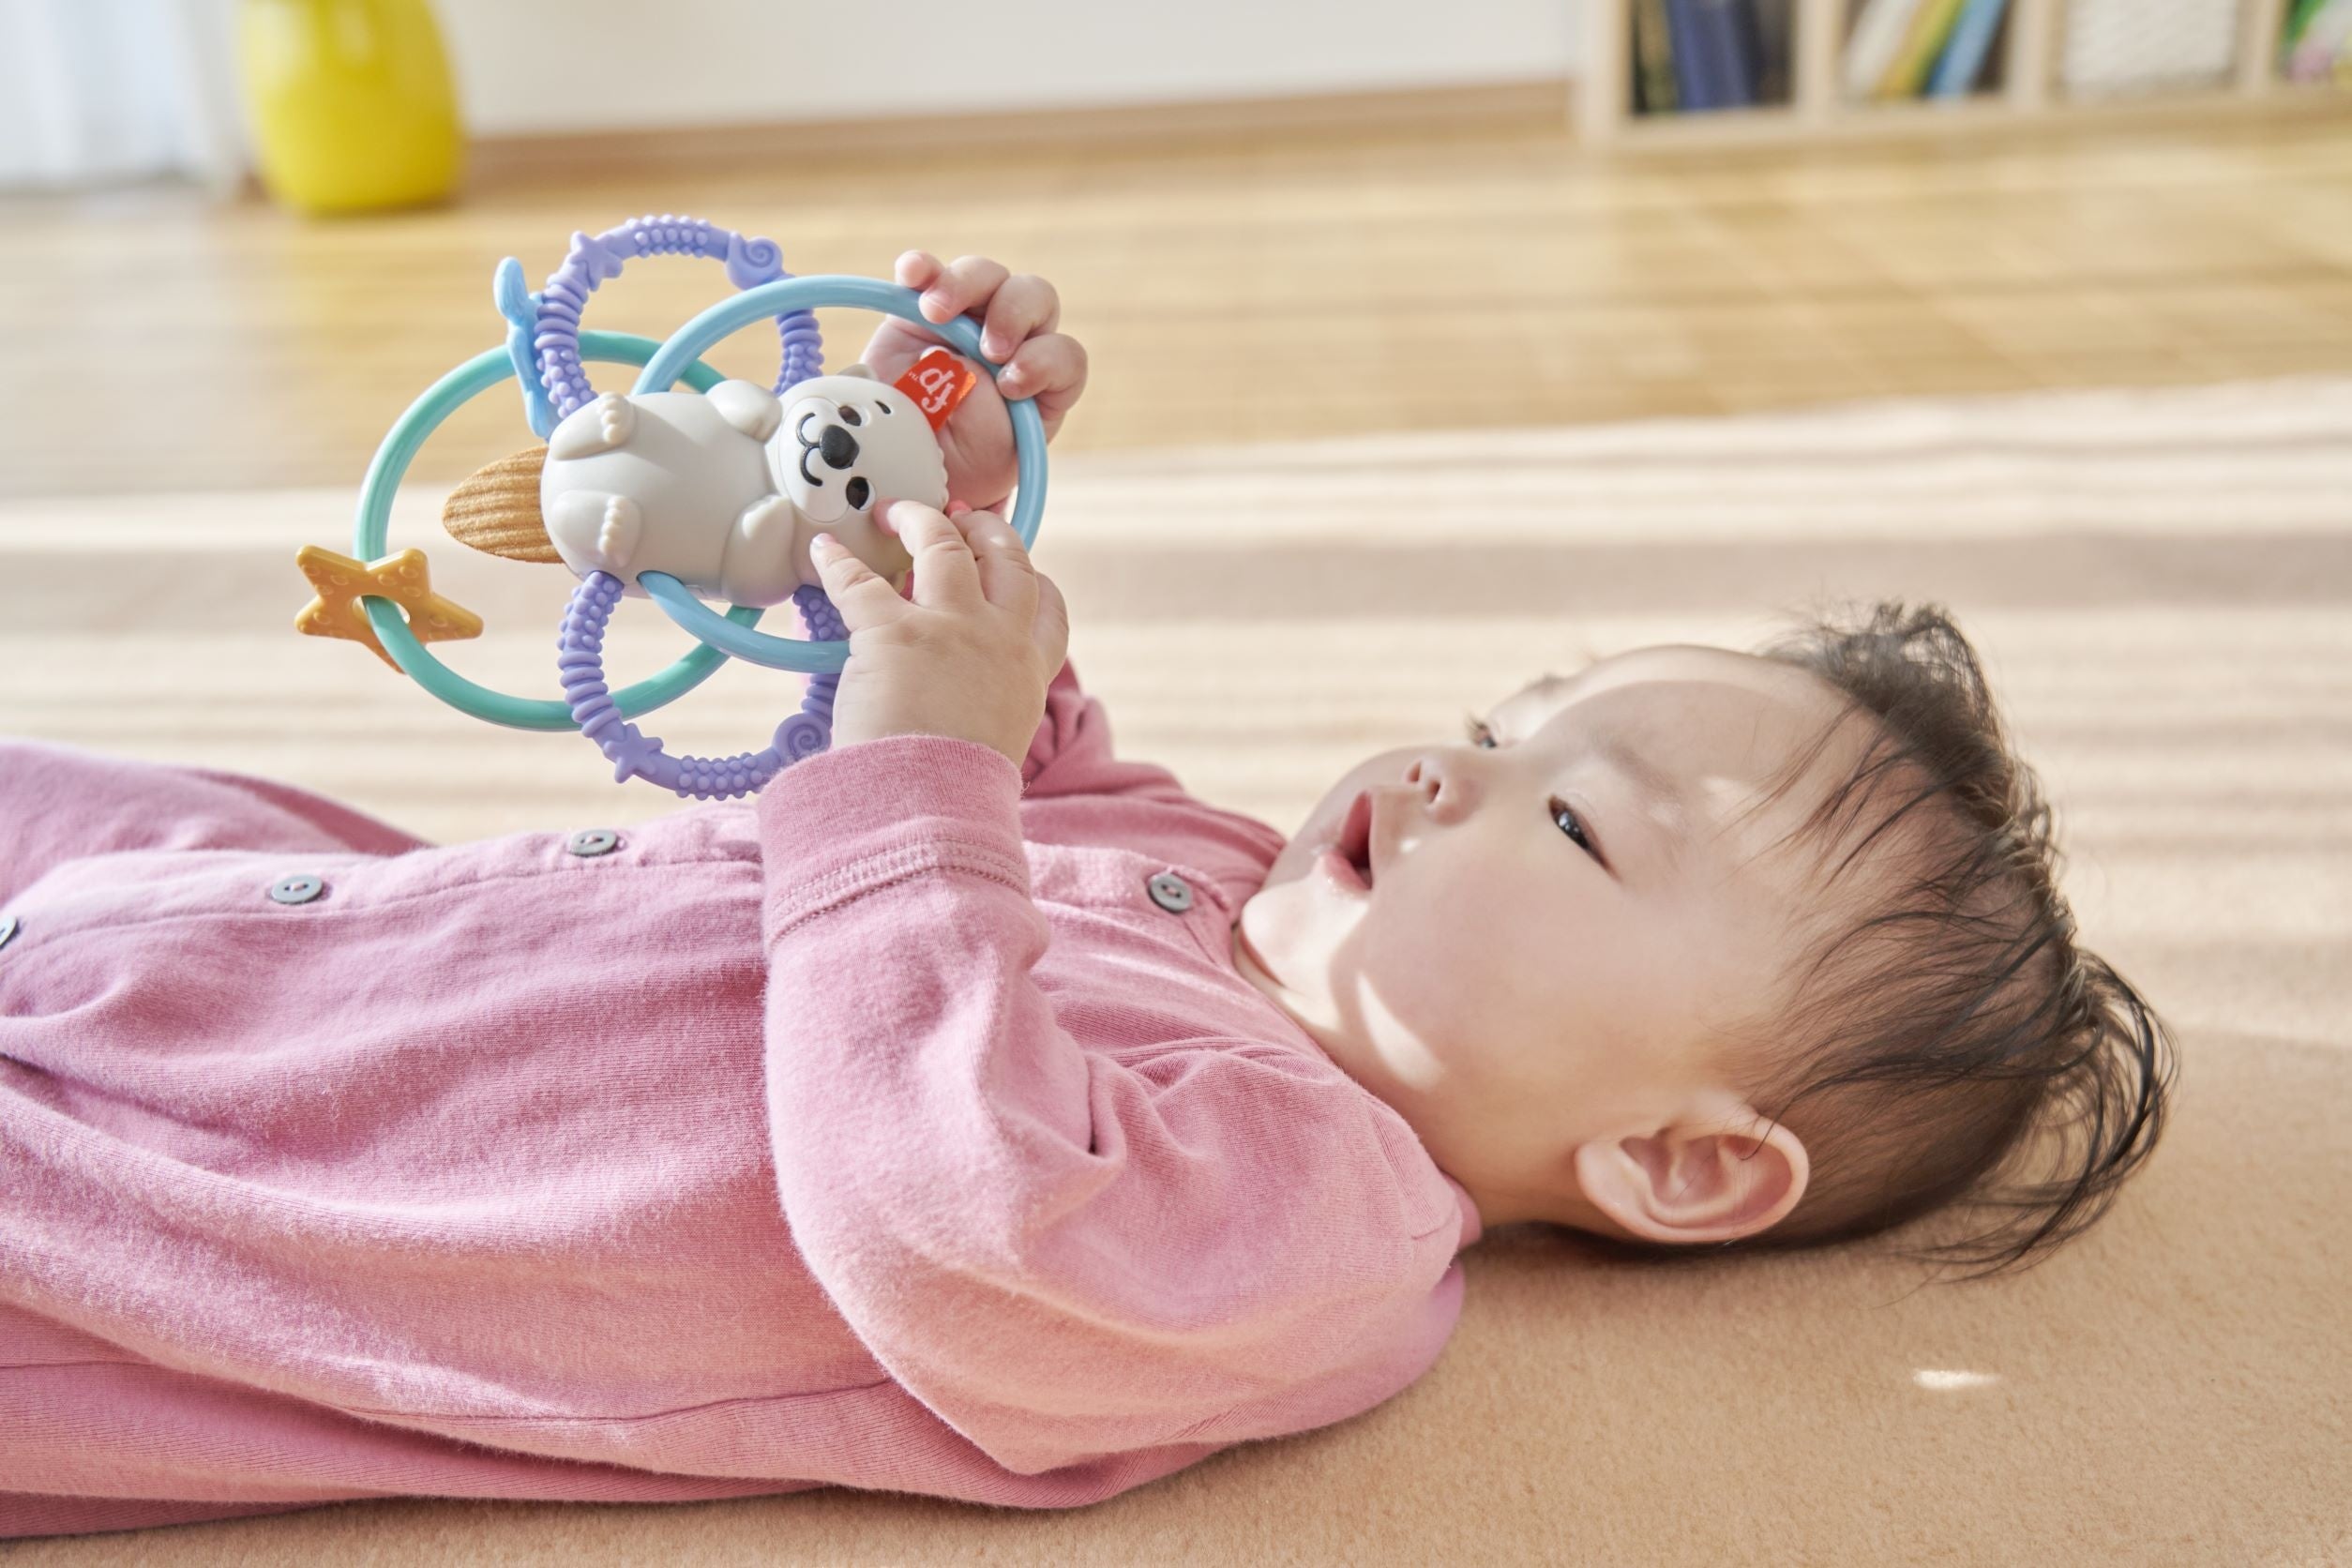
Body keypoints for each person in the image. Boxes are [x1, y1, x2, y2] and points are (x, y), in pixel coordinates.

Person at [0, 253, 2171, 1539]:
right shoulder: (1230, 876)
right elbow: (1017, 765)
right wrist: (943, 499)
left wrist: (922, 756)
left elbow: (953, 1215)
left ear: (1682, 1156)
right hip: (302, 927)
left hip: (179, 1220)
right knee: (117, 815)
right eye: (1505, 719)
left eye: (1573, 822)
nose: (1449, 769)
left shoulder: (1319, 1232)